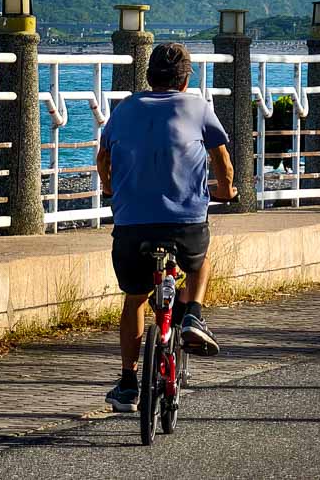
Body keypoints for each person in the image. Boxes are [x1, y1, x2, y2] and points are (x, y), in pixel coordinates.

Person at [95, 42, 238, 413]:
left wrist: (110, 187)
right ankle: (193, 314)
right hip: (185, 224)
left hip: (132, 227)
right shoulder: (197, 107)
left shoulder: (124, 109)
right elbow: (220, 157)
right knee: (200, 258)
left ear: (147, 76)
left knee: (135, 299)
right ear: (186, 78)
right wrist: (225, 190)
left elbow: (103, 156)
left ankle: (128, 381)